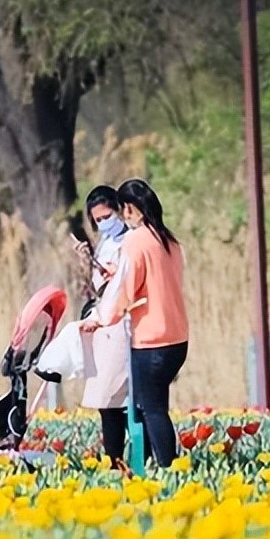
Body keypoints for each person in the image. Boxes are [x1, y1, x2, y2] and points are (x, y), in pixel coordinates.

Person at [80, 178, 189, 468]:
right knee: (157, 406)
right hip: (177, 336)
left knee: (152, 410)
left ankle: (168, 468)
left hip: (150, 339)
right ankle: (163, 464)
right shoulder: (170, 240)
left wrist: (101, 318)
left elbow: (123, 290)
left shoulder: (135, 240)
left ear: (128, 208)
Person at [72, 185, 140, 470]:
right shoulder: (105, 242)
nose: (103, 223)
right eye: (97, 220)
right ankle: (114, 460)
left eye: (107, 216)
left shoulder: (134, 239)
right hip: (104, 322)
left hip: (125, 322)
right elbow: (94, 288)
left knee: (129, 399)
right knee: (106, 399)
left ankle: (141, 459)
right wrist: (86, 262)